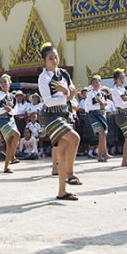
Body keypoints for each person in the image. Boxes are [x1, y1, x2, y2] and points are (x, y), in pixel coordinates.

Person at [38, 42, 81, 201]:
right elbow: (48, 102)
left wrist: (67, 94)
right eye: (50, 58)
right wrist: (65, 94)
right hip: (50, 116)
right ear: (45, 61)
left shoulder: (64, 74)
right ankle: (70, 174)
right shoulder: (43, 78)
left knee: (62, 151)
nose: (54, 60)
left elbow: (71, 96)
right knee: (75, 138)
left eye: (56, 57)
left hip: (64, 114)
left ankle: (62, 191)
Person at [0, 74, 21, 174]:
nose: (3, 84)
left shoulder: (12, 97)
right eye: (2, 82)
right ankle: (12, 157)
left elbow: (15, 111)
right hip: (1, 119)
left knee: (10, 142)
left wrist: (10, 110)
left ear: (10, 83)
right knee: (17, 134)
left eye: (5, 82)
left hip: (11, 119)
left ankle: (6, 167)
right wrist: (5, 109)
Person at [85, 75, 111, 162]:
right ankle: (102, 154)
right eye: (93, 82)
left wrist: (103, 105)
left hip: (102, 114)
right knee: (101, 133)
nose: (95, 84)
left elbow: (106, 105)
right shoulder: (90, 94)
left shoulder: (103, 94)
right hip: (93, 114)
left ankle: (102, 154)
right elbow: (88, 106)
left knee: (104, 134)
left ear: (100, 83)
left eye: (97, 82)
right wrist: (100, 105)